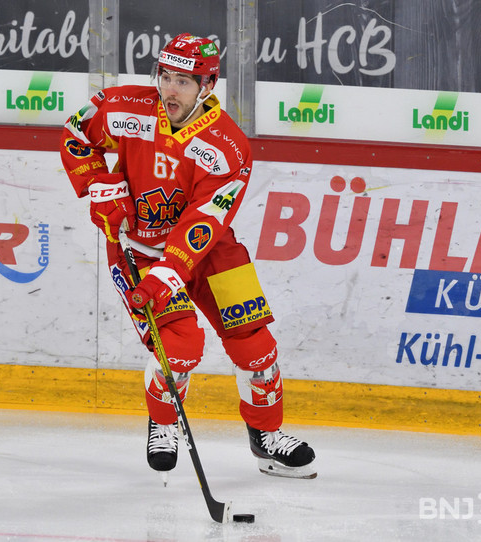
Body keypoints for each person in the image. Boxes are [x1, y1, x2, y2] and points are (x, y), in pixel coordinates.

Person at [60, 33, 316, 479]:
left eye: (183, 81)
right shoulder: (123, 107)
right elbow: (75, 133)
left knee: (256, 345)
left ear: (208, 85)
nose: (169, 89)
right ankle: (163, 422)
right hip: (138, 249)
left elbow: (205, 222)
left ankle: (267, 438)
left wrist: (170, 272)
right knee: (178, 348)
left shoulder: (228, 146)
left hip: (209, 250)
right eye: (165, 76)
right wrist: (99, 187)